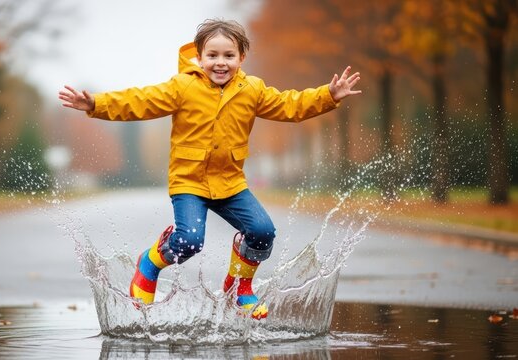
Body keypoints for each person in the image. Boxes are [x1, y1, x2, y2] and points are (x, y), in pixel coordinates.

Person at [59, 19, 361, 320]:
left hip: (230, 183)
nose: (220, 63)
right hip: (189, 183)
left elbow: (288, 105)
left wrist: (328, 95)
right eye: (212, 55)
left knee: (262, 231)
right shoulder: (183, 86)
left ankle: (239, 286)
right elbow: (140, 101)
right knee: (190, 241)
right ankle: (150, 263)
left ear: (241, 57)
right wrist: (94, 104)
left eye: (228, 56)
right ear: (199, 57)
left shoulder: (251, 89)